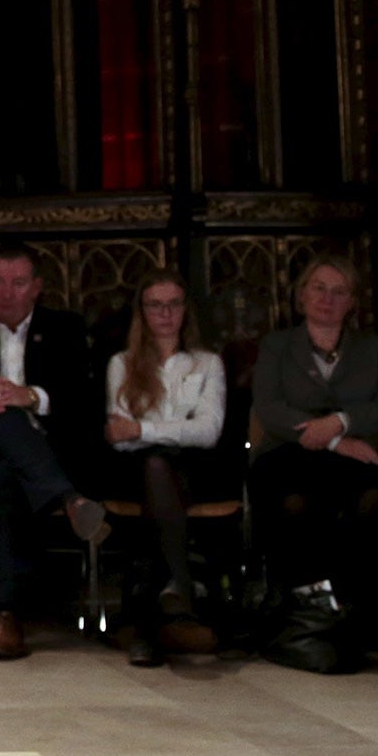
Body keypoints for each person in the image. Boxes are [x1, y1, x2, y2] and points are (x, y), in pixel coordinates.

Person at [0, 241, 106, 662]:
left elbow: (85, 402)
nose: (6, 292)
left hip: (48, 452)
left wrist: (29, 396)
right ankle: (71, 500)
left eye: (17, 283)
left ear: (36, 287)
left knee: (10, 469)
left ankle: (7, 614)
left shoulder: (66, 328)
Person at [250, 254, 378, 670]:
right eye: (319, 288)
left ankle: (346, 605)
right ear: (302, 295)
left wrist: (343, 420)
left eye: (339, 292)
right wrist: (334, 440)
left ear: (352, 302)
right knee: (296, 501)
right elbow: (270, 408)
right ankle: (305, 607)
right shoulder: (277, 346)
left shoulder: (374, 349)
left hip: (355, 455)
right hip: (289, 453)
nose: (327, 299)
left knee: (375, 494)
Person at [101, 269, 227, 665]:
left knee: (161, 465)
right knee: (154, 465)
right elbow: (120, 437)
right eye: (156, 305)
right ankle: (179, 585)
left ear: (185, 310)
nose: (165, 313)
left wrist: (144, 428)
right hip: (136, 469)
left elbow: (208, 432)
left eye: (173, 304)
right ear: (142, 311)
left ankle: (145, 620)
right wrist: (167, 431)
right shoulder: (122, 364)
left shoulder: (207, 364)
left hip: (194, 467)